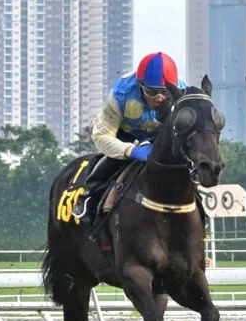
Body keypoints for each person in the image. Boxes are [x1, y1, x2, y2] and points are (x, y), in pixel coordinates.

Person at [72, 52, 187, 220]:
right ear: (140, 86)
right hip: (126, 135)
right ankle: (88, 195)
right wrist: (130, 151)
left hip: (160, 137)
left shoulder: (182, 94)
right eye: (152, 92)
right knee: (110, 162)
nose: (160, 98)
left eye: (165, 92)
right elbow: (101, 135)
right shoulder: (121, 94)